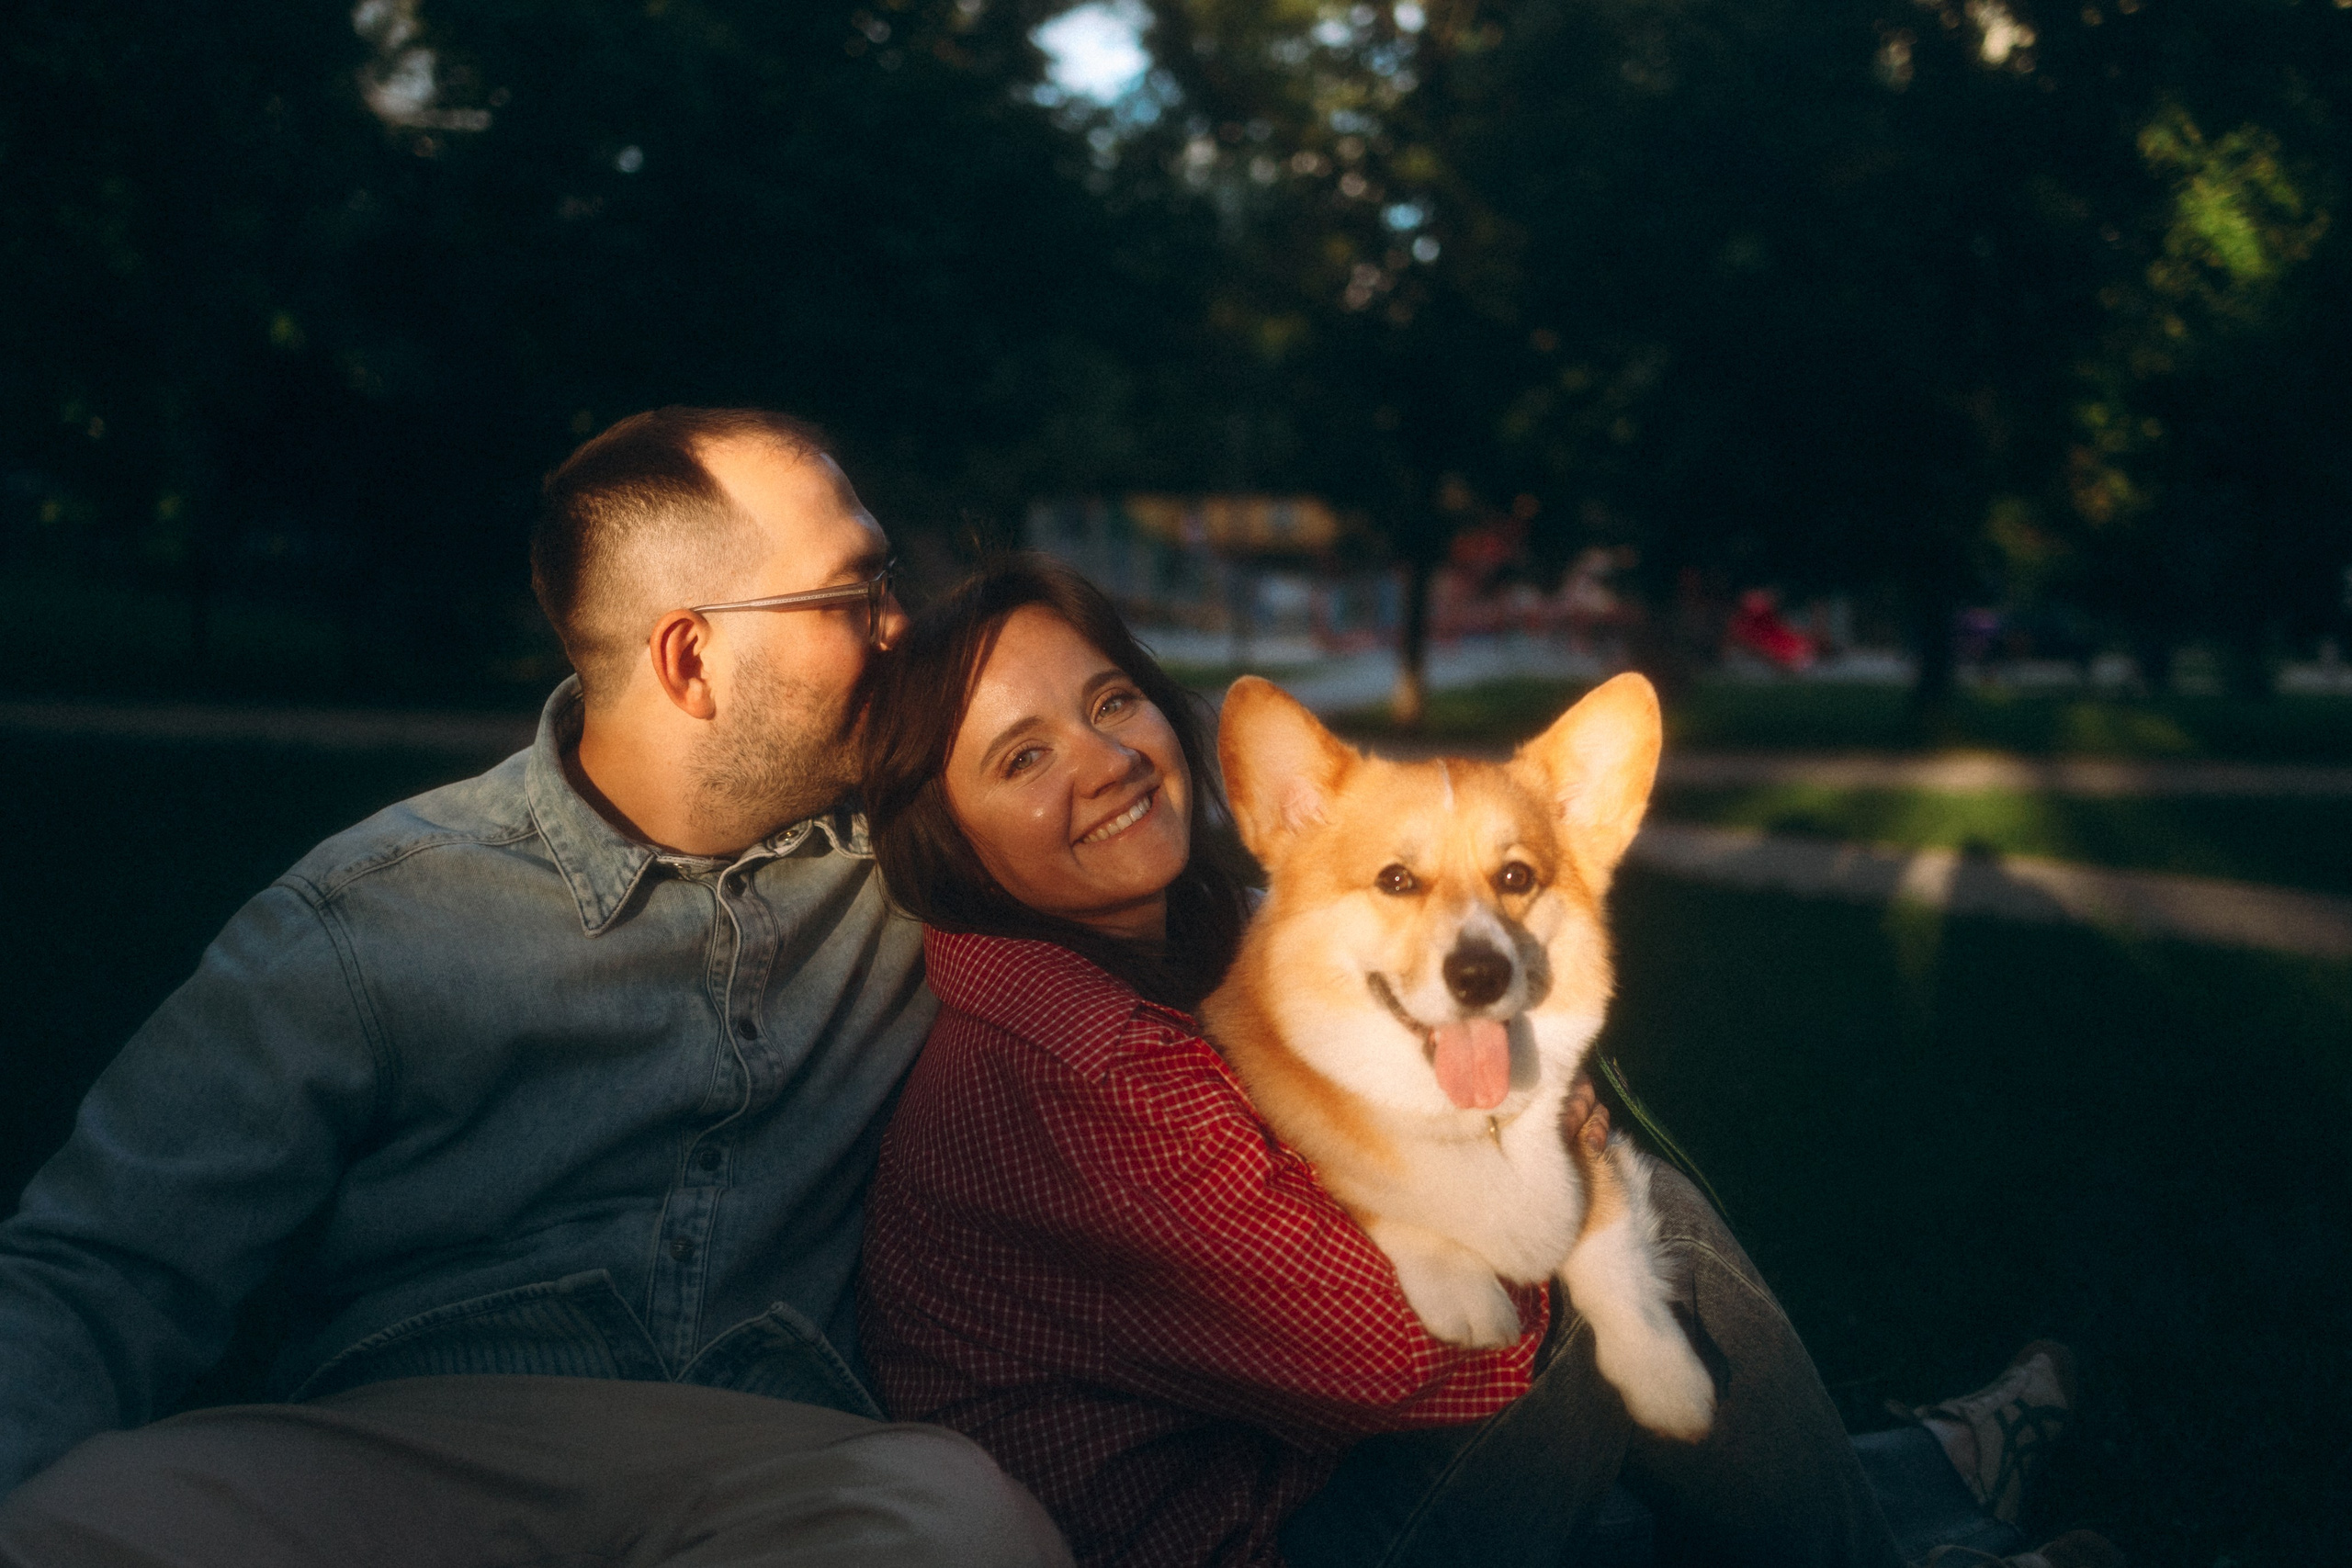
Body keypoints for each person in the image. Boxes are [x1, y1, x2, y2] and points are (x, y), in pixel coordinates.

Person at [855, 556, 2115, 1568]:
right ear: (948, 834)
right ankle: (1917, 1502)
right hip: (1238, 1534)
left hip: (1267, 1469)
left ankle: (1933, 1467)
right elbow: (1415, 1359)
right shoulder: (1081, 1070)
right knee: (1614, 1252)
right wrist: (1556, 1139)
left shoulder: (1111, 964)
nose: (1107, 758)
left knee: (1623, 1349)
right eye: (1022, 757)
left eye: (1111, 698)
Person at [0, 410, 1070, 1568]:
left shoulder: (919, 859)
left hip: (785, 1469)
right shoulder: (372, 916)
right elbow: (106, 1266)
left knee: (962, 1526)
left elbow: (1157, 846)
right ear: (690, 659)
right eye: (851, 593)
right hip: (395, 1463)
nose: (898, 624)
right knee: (86, 1520)